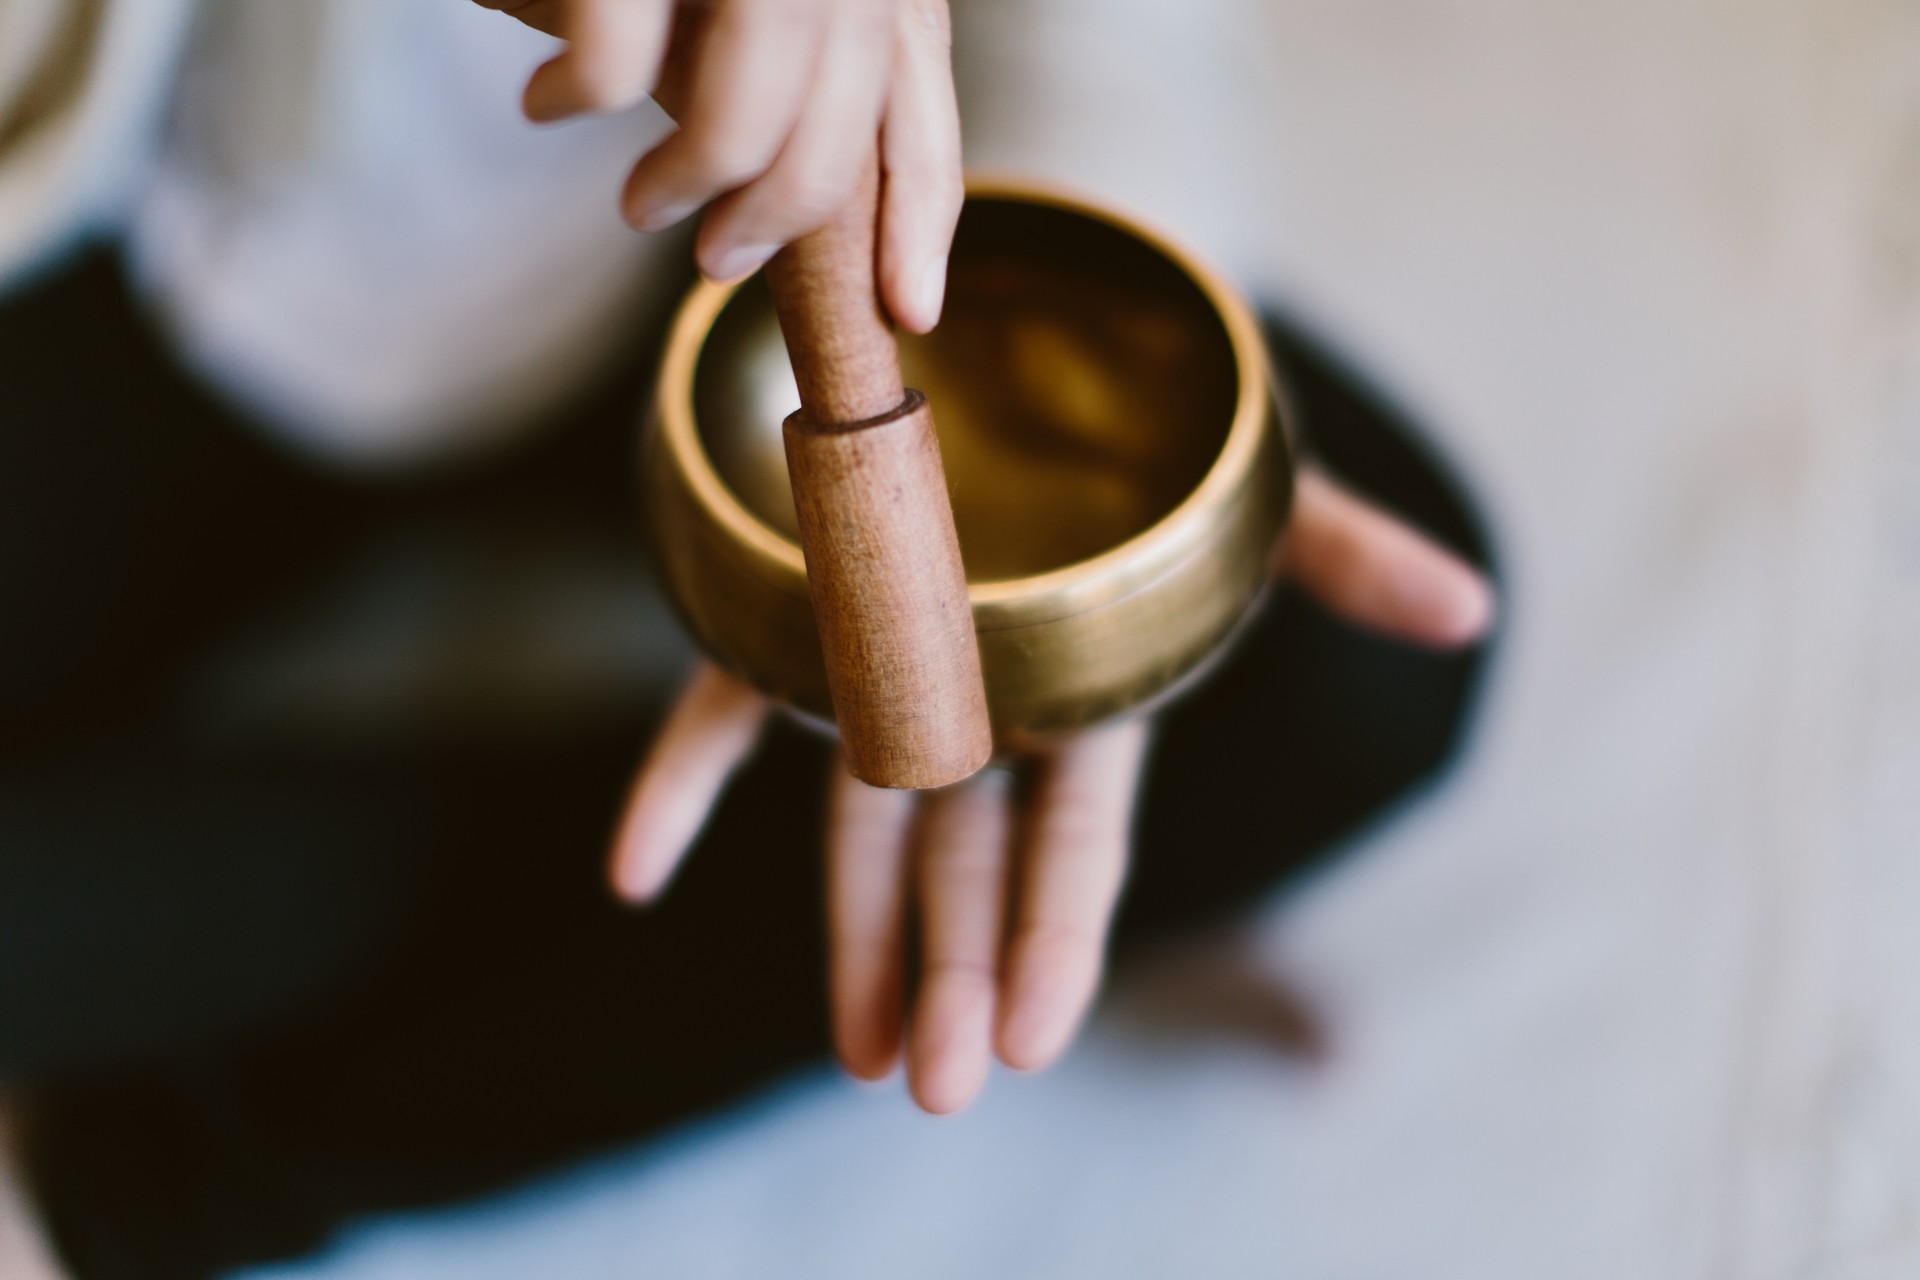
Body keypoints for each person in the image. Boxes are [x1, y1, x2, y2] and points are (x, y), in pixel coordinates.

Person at [0, 2, 1494, 1276]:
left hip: (703, 254)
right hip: (118, 238)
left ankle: (202, 1145)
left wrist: (1031, 392)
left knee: (1342, 650)